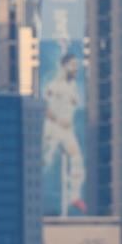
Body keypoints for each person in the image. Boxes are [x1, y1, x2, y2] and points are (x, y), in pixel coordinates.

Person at [42, 52, 86, 214]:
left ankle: (74, 197)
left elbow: (74, 105)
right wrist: (58, 120)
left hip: (67, 131)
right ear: (64, 66)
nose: (76, 69)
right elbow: (44, 108)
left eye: (77, 66)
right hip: (53, 129)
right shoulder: (54, 86)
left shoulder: (73, 87)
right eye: (73, 65)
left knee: (77, 159)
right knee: (45, 161)